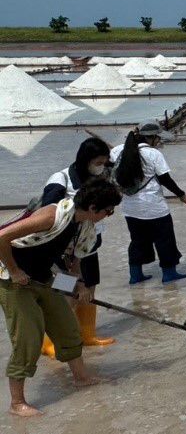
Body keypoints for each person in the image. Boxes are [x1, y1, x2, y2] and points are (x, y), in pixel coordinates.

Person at [0, 179, 121, 416]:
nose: (110, 215)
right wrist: (14, 271)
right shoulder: (52, 216)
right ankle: (17, 403)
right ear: (94, 207)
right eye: (109, 211)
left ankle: (81, 378)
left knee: (68, 328)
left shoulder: (82, 225)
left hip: (43, 277)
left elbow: (73, 260)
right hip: (11, 278)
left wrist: (80, 285)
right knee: (28, 339)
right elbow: (2, 236)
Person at [41, 138, 115, 351]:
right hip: (62, 250)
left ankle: (87, 335)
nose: (101, 166)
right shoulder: (61, 178)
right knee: (66, 293)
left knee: (89, 288)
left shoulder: (99, 177)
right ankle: (51, 342)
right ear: (86, 159)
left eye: (104, 162)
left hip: (89, 244)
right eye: (98, 161)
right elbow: (49, 210)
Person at [110, 122, 186, 285]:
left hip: (130, 208)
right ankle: (169, 274)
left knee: (137, 240)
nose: (159, 141)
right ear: (152, 137)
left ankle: (135, 275)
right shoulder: (153, 154)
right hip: (154, 207)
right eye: (158, 138)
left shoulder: (119, 150)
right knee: (164, 240)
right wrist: (181, 195)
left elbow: (111, 170)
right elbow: (165, 179)